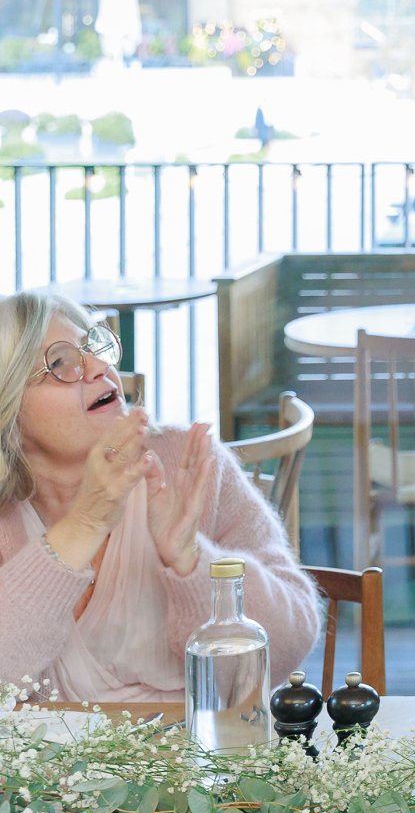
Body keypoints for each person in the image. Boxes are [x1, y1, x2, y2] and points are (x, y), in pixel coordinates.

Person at [0, 290, 320, 701]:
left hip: (202, 755)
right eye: (61, 364)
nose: (100, 367)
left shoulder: (186, 463)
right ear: (10, 410)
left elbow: (289, 645)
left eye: (92, 346)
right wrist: (86, 523)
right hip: (48, 765)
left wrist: (192, 559)